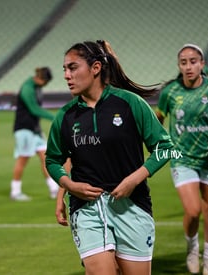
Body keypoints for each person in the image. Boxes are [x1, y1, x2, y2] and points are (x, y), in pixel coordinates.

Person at [46, 40, 174, 275]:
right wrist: (69, 185)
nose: (66, 75)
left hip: (132, 207)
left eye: (73, 68)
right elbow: (53, 160)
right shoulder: (65, 116)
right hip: (87, 210)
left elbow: (166, 148)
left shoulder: (130, 103)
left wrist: (134, 179)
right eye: (65, 69)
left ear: (95, 68)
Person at [155, 44, 208, 275]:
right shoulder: (170, 92)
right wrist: (161, 143)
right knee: (192, 211)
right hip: (182, 159)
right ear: (179, 66)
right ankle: (192, 248)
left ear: (202, 64)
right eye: (183, 62)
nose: (188, 66)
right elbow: (157, 119)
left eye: (193, 61)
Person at [10, 67, 59, 201]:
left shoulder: (37, 87)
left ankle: (54, 189)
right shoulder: (27, 88)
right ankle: (15, 192)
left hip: (34, 130)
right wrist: (54, 117)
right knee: (22, 160)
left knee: (46, 158)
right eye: (45, 82)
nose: (45, 84)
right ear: (40, 78)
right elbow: (33, 109)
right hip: (24, 129)